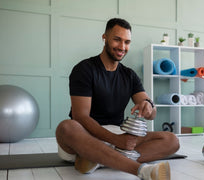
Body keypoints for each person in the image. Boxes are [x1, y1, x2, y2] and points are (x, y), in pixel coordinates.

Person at [55, 18, 179, 180]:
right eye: (117, 39)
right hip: (85, 137)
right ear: (104, 38)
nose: (122, 47)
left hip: (118, 136)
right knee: (66, 127)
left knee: (171, 140)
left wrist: (148, 106)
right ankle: (142, 170)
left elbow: (151, 111)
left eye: (127, 42)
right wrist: (116, 140)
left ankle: (96, 160)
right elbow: (81, 117)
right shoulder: (84, 69)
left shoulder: (129, 75)